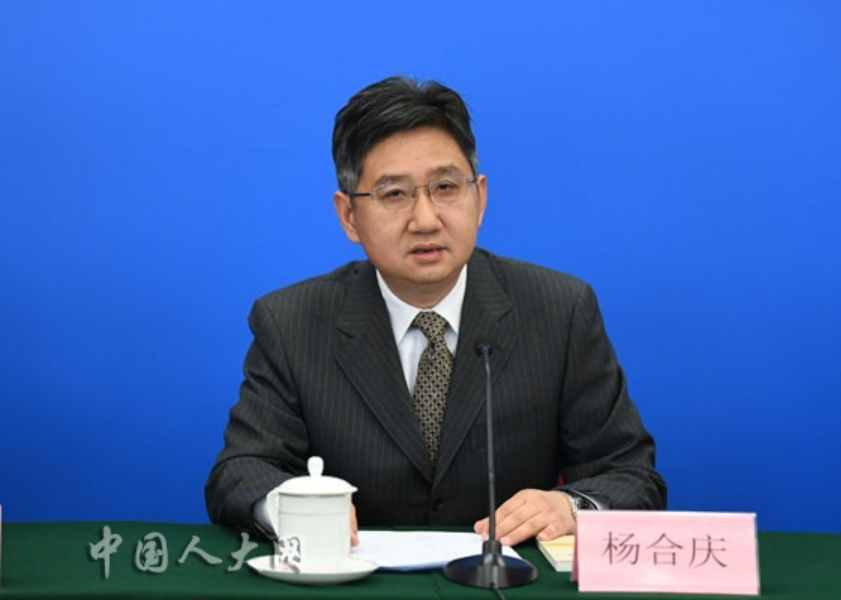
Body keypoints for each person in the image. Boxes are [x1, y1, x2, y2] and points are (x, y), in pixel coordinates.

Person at [205, 76, 666, 548]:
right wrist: (289, 507)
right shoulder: (291, 322)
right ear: (349, 217)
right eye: (394, 194)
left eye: (446, 187)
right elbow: (241, 472)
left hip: (508, 576)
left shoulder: (560, 310)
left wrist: (569, 507)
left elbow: (631, 475)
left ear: (479, 198)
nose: (425, 219)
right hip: (355, 575)